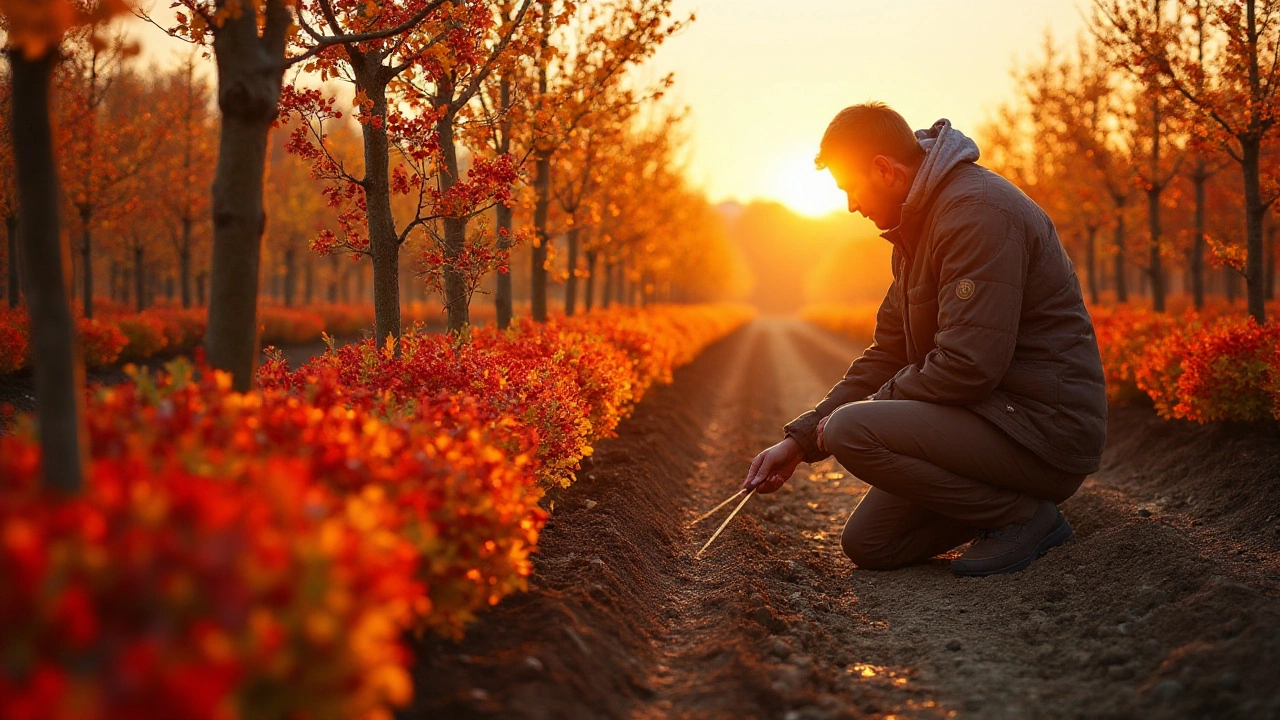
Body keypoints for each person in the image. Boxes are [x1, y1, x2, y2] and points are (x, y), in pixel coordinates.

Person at [742, 102, 1107, 577]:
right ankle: (1004, 507)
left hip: (1040, 432)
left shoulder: (976, 213)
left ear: (884, 170)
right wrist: (801, 439)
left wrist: (854, 418)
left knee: (851, 429)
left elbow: (969, 365)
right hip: (991, 419)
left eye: (850, 188)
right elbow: (888, 352)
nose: (851, 205)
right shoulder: (917, 226)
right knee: (871, 542)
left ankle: (1022, 518)